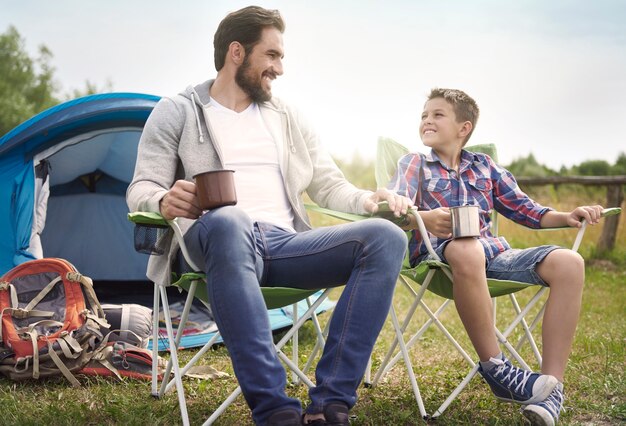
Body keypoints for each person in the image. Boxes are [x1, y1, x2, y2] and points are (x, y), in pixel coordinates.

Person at [127, 6, 412, 426]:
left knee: (387, 237)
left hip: (285, 244)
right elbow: (140, 189)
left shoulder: (288, 117)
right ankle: (275, 411)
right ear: (237, 52)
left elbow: (329, 184)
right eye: (272, 55)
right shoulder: (178, 111)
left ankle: (330, 404)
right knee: (231, 219)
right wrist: (164, 200)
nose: (279, 68)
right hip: (213, 242)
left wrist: (371, 200)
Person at [387, 88, 603, 426]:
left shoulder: (485, 167)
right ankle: (496, 368)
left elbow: (527, 210)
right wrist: (423, 218)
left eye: (438, 114)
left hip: (493, 255)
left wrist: (566, 216)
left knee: (570, 263)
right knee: (465, 246)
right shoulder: (414, 163)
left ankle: (551, 389)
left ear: (464, 128)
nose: (427, 120)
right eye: (424, 115)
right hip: (439, 257)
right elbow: (396, 208)